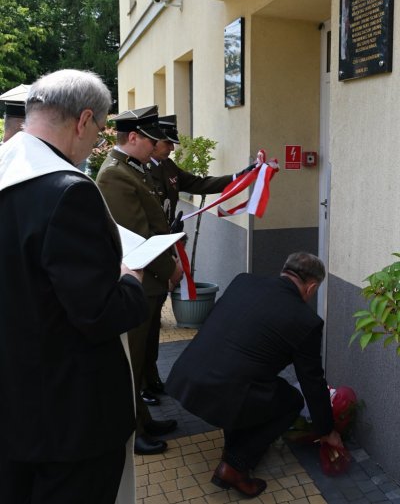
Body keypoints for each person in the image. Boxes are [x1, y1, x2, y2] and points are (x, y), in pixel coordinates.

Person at [0, 69, 148, 504]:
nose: (96, 142)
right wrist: (131, 281)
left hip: (14, 407)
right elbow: (97, 313)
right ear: (85, 120)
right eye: (100, 130)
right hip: (70, 419)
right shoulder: (68, 192)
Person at [166, 252, 343, 498]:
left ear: (285, 270)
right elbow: (312, 382)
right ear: (311, 287)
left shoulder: (243, 281)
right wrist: (327, 430)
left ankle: (233, 447)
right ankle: (234, 467)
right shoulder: (305, 320)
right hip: (223, 393)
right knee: (291, 400)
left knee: (250, 383)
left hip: (186, 378)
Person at [142, 113, 255, 402]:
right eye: (168, 143)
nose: (172, 148)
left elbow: (198, 184)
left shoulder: (166, 166)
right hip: (148, 254)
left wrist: (239, 177)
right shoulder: (139, 171)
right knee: (145, 322)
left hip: (165, 247)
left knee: (154, 321)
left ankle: (151, 377)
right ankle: (142, 385)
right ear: (153, 143)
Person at [96, 107, 183, 456]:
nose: (157, 147)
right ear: (132, 138)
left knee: (140, 355)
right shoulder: (115, 175)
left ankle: (144, 419)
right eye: (151, 140)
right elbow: (139, 238)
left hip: (151, 279)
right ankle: (133, 433)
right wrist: (170, 269)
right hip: (141, 281)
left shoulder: (135, 169)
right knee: (131, 363)